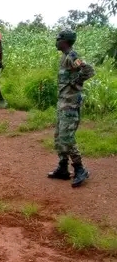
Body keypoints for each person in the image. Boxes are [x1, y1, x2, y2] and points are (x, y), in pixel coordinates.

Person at [48, 29, 95, 188]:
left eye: (59, 39)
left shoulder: (72, 56)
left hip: (70, 103)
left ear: (65, 41)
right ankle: (63, 168)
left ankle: (80, 168)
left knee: (67, 137)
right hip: (63, 102)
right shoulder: (64, 57)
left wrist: (77, 83)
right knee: (59, 136)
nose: (56, 41)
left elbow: (88, 70)